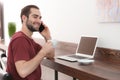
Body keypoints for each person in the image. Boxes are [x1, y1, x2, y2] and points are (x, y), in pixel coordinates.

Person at [6, 5, 55, 80]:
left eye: (40, 18)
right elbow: (23, 72)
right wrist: (43, 52)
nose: (38, 21)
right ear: (24, 18)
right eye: (35, 17)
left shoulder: (28, 39)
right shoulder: (20, 39)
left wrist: (47, 36)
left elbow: (51, 55)